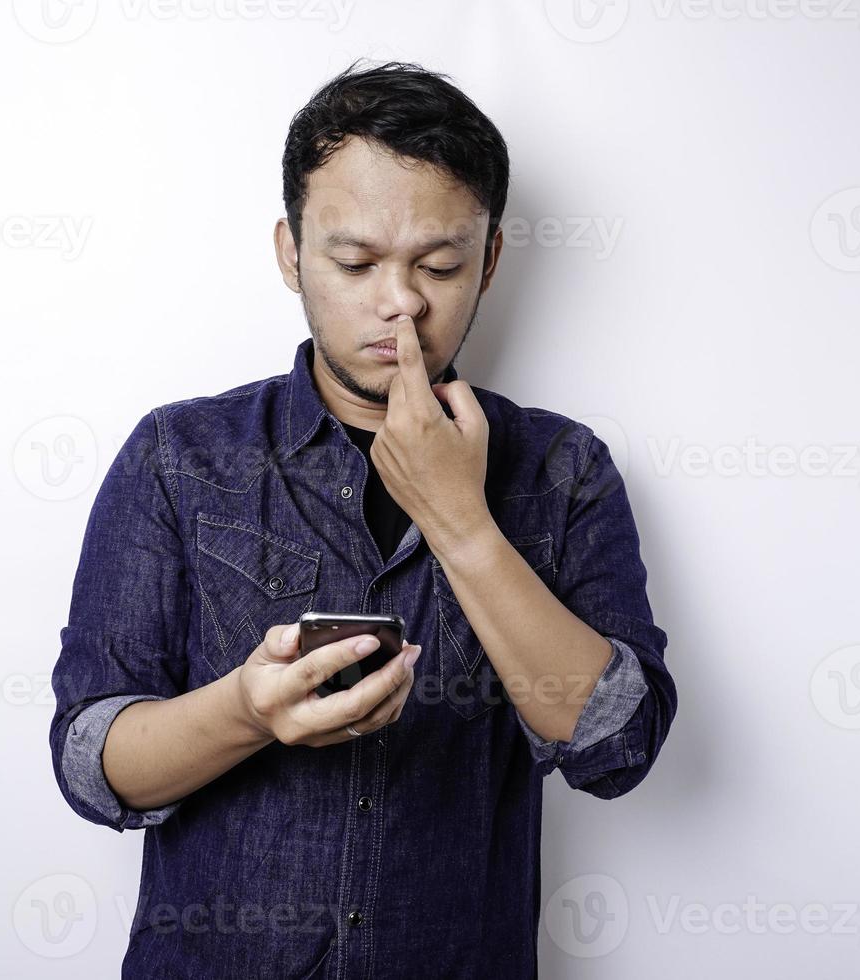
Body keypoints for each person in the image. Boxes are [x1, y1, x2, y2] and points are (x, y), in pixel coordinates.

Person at [47, 59, 677, 979]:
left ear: (491, 259)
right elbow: (90, 764)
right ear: (289, 251)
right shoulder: (178, 457)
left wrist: (461, 522)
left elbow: (615, 745)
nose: (402, 302)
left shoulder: (561, 468)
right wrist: (247, 712)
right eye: (354, 262)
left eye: (441, 263)